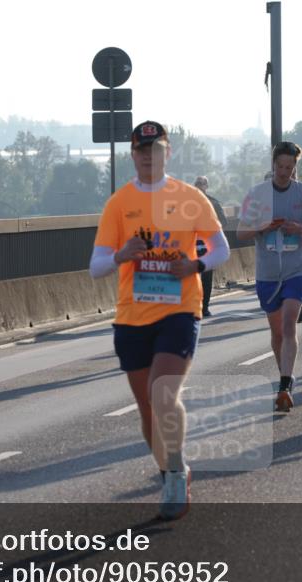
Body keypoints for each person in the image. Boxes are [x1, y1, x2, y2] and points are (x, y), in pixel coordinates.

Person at [91, 120, 228, 523]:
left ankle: (174, 475)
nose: (148, 157)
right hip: (132, 316)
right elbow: (95, 266)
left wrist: (195, 264)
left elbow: (221, 249)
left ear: (167, 153)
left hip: (180, 309)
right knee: (147, 408)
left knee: (163, 393)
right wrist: (121, 255)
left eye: (156, 150)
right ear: (132, 155)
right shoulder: (119, 203)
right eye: (141, 150)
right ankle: (171, 470)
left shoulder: (190, 198)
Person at [238, 141, 302, 412]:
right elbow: (240, 233)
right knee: (276, 332)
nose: (285, 172)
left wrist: (298, 228)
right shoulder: (257, 194)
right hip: (267, 273)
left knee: (289, 325)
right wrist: (264, 227)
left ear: (296, 167)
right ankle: (285, 373)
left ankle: (284, 385)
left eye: (290, 167)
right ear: (273, 165)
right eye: (281, 166)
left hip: (296, 269)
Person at [193, 176, 228, 315]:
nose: (199, 186)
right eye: (197, 183)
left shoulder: (214, 203)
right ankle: (194, 306)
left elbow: (223, 222)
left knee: (206, 278)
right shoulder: (186, 203)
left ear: (207, 186)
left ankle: (205, 307)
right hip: (191, 245)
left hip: (207, 246)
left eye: (202, 183)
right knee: (192, 278)